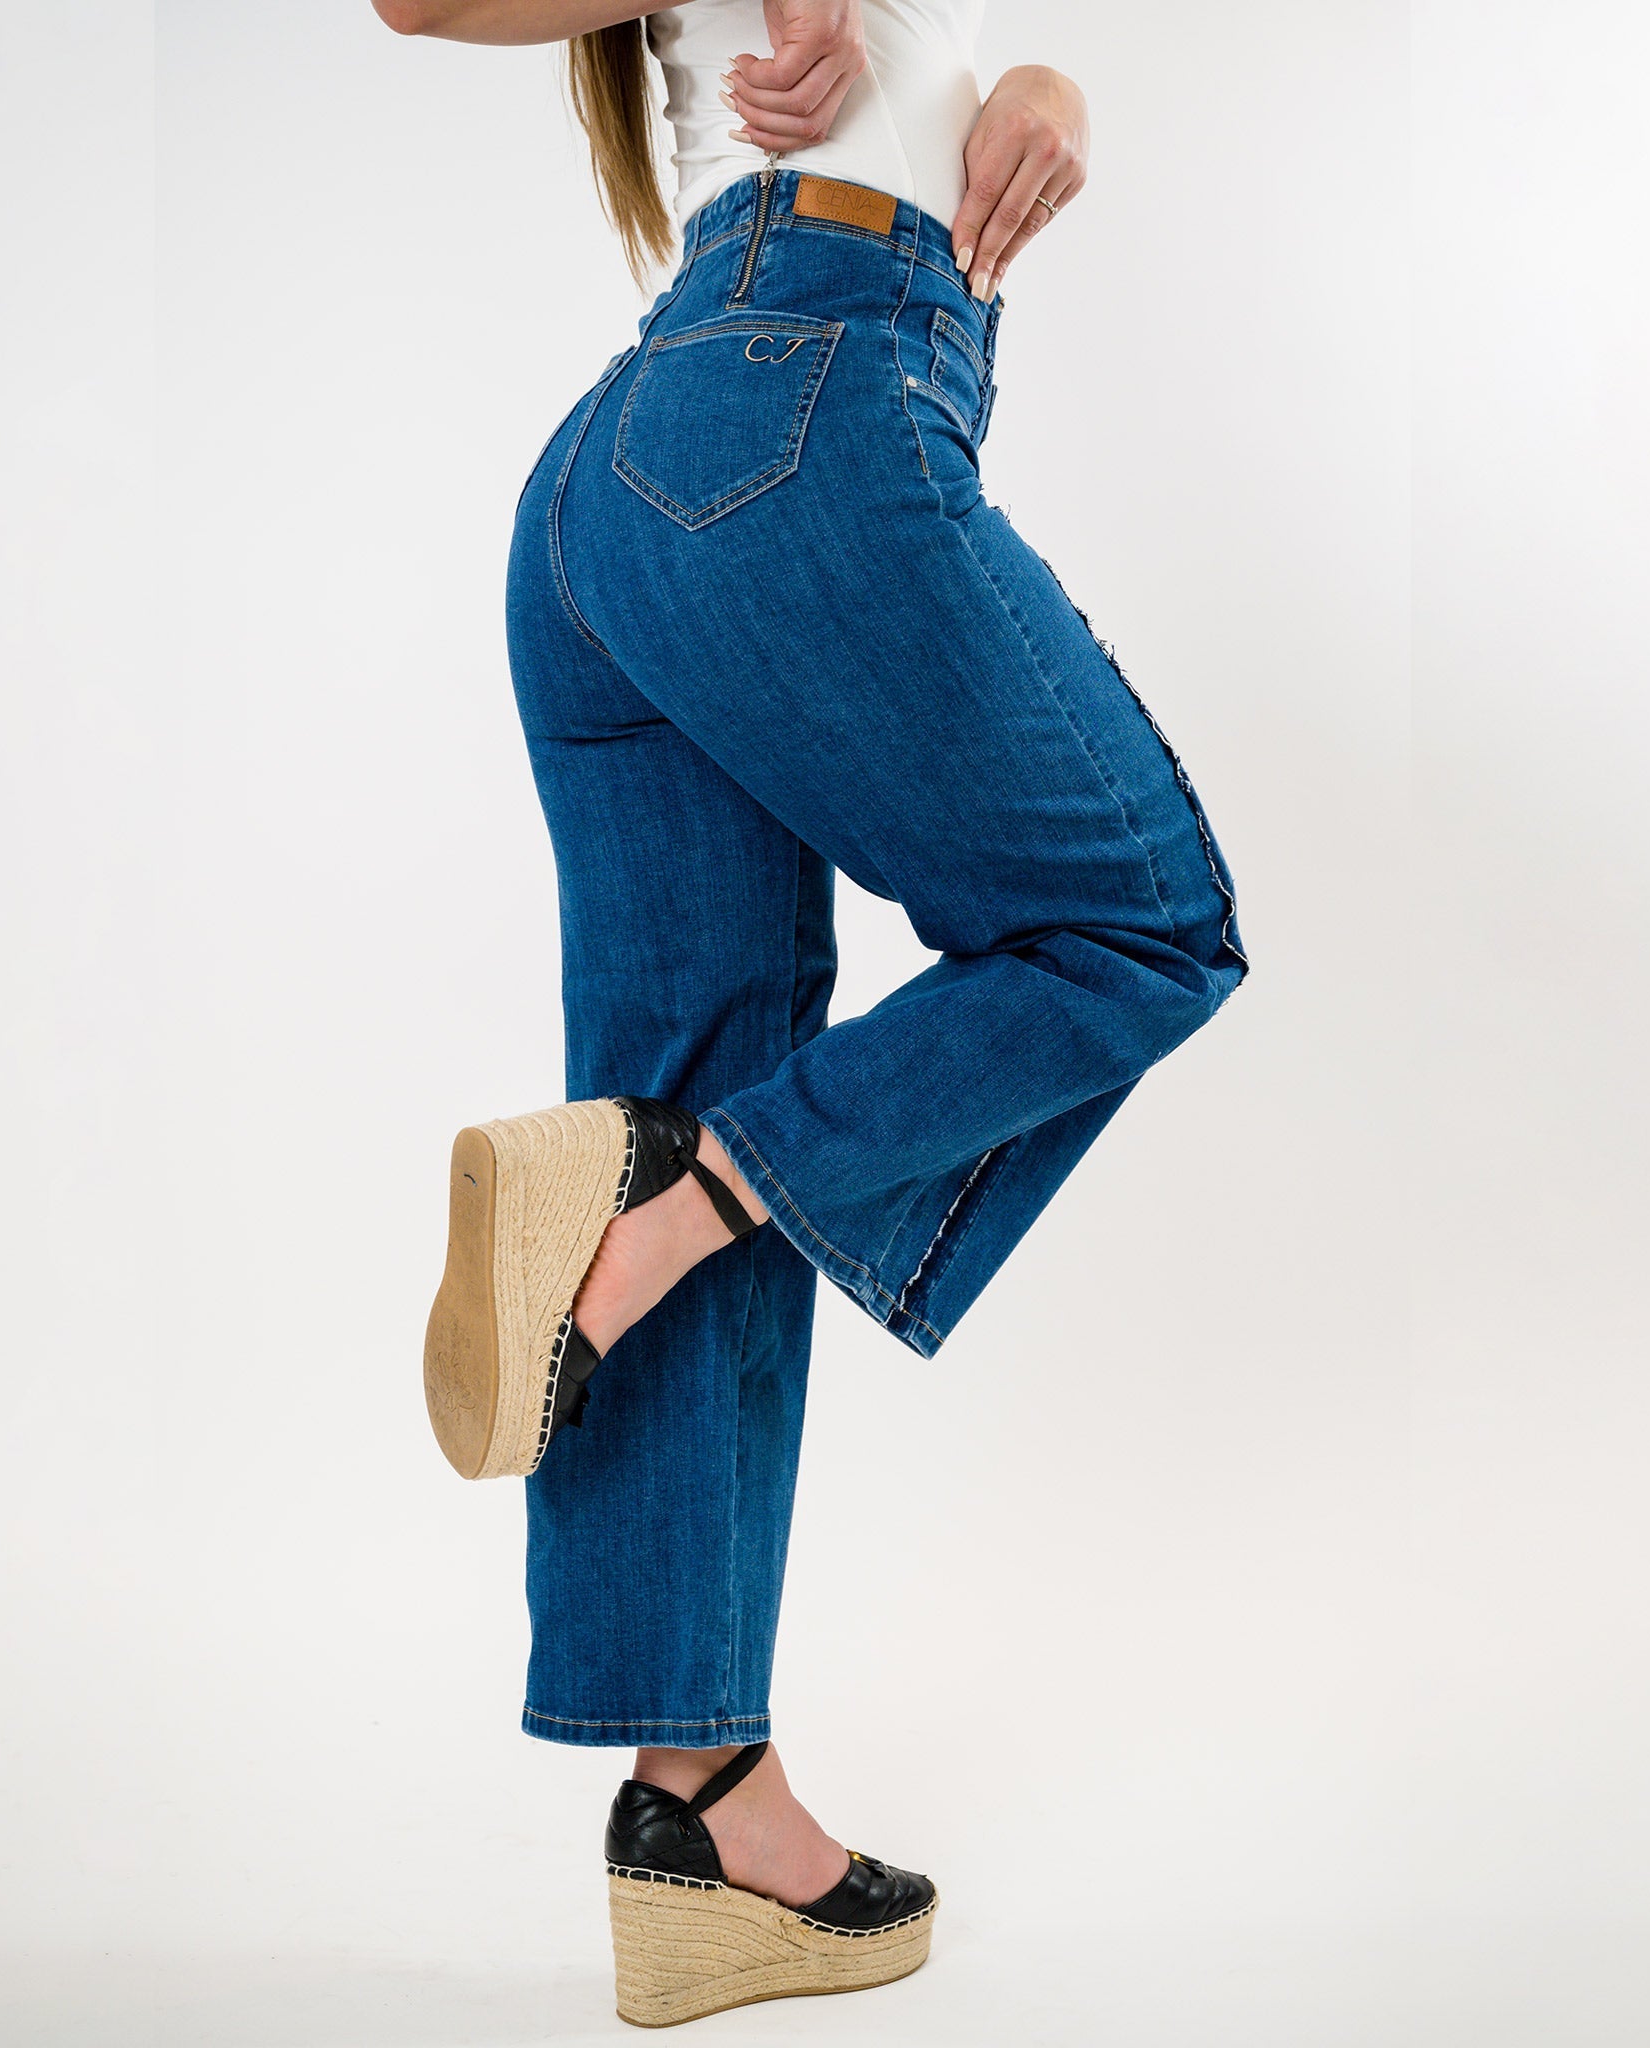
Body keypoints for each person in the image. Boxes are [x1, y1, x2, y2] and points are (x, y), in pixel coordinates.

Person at [376, 0, 1246, 2024]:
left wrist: (1041, 94)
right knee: (1140, 926)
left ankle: (703, 1803)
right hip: (794, 399)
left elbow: (922, 79)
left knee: (690, 1088)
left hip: (638, 475)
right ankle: (673, 1204)